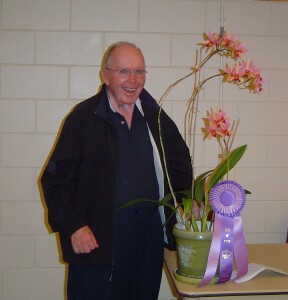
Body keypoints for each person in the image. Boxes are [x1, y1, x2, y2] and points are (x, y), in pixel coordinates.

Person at [40, 41, 192, 300]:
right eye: (123, 71)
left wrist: (187, 203)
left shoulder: (157, 117)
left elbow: (179, 165)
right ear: (106, 75)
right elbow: (55, 180)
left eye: (139, 72)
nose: (132, 80)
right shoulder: (84, 118)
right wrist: (75, 226)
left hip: (148, 236)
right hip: (97, 238)